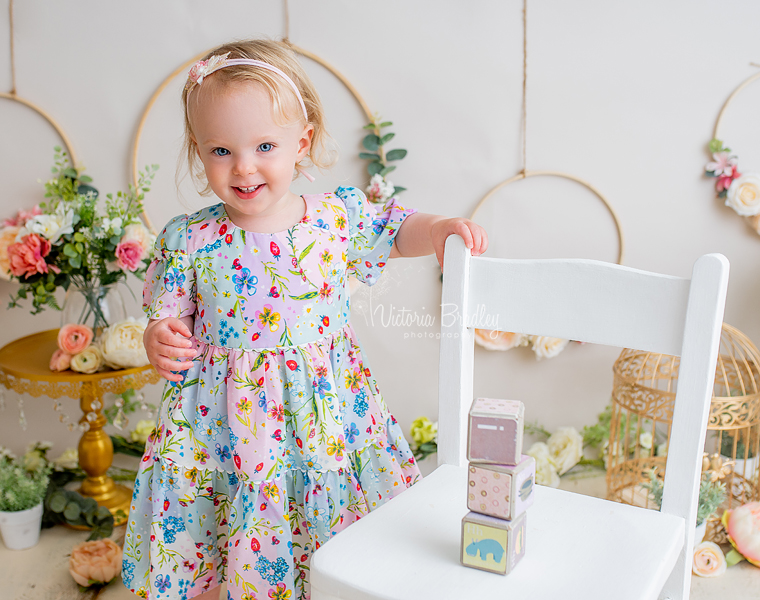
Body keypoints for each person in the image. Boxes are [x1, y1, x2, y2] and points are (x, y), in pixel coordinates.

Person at [122, 39, 488, 600]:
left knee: (333, 532)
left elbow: (392, 228)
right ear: (198, 151)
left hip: (325, 417)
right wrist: (159, 336)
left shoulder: (335, 218)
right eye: (220, 150)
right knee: (237, 522)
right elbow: (167, 311)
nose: (244, 167)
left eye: (265, 144)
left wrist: (437, 229)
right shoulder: (189, 238)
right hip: (225, 426)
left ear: (303, 142)